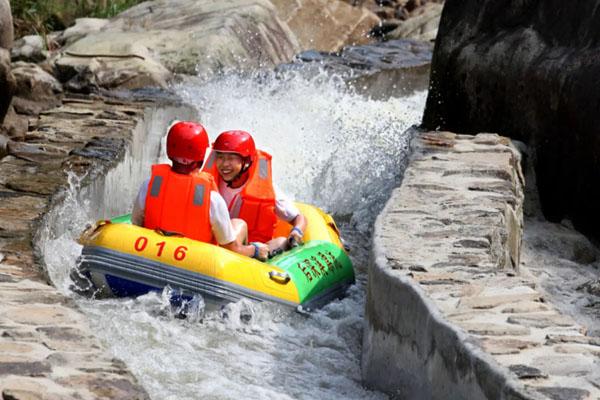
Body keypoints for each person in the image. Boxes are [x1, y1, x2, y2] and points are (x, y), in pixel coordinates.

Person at [131, 121, 269, 261]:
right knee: (239, 224)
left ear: (169, 151)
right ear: (202, 155)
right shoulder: (212, 199)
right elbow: (231, 250)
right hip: (199, 264)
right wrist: (255, 250)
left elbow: (136, 224)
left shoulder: (149, 185)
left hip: (151, 253)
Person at [202, 130, 307, 254]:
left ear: (246, 162)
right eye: (220, 157)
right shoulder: (206, 182)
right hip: (214, 246)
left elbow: (299, 218)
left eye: (231, 158)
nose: (225, 164)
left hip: (251, 249)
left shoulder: (266, 190)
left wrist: (297, 232)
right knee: (237, 224)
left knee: (281, 242)